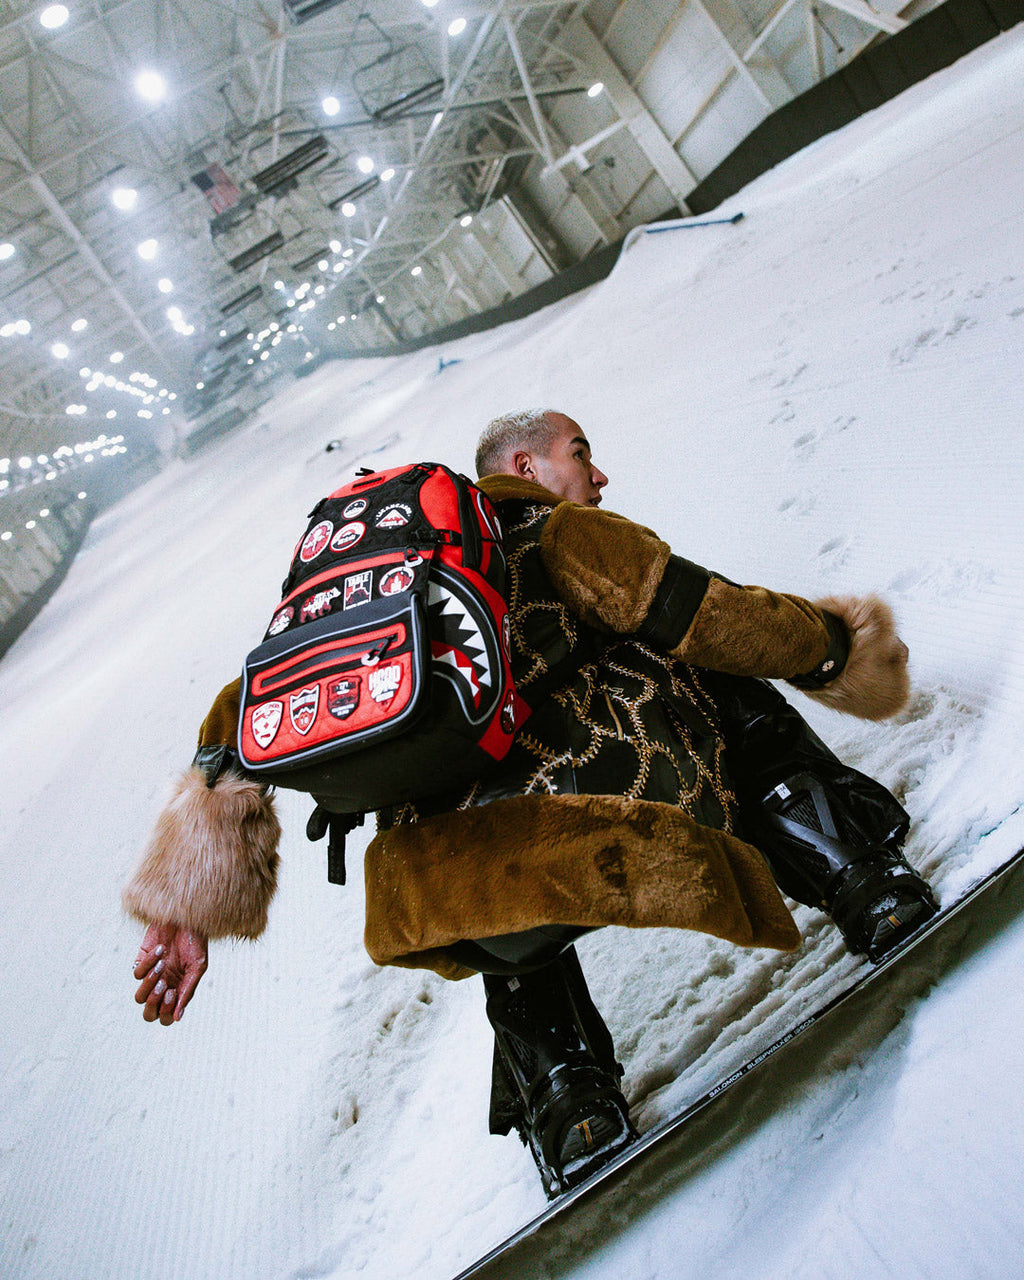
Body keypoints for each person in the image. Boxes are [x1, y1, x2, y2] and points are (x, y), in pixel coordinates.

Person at [124, 409, 935, 1195]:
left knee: (500, 896)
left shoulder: (389, 595)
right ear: (526, 469)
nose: (600, 474)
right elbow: (722, 616)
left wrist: (188, 909)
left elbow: (232, 733)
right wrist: (837, 647)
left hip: (432, 890)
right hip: (622, 822)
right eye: (581, 453)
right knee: (715, 666)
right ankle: (862, 880)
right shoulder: (557, 533)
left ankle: (565, 1096)